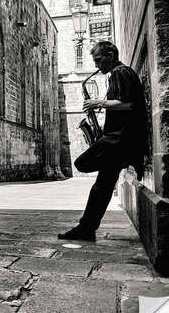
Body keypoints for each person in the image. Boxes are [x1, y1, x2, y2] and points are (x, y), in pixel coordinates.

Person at [58, 40, 147, 242]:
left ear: (110, 55)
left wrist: (99, 102)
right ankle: (86, 228)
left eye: (99, 60)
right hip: (118, 140)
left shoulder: (120, 72)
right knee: (102, 187)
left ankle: (86, 227)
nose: (97, 66)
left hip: (119, 140)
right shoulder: (119, 74)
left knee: (81, 163)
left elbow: (129, 104)